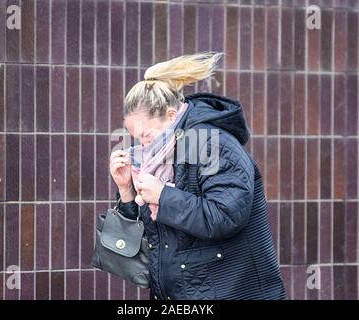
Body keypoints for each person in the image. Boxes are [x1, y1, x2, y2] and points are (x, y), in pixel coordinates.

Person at [109, 52, 286, 300]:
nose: (142, 144)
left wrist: (163, 195)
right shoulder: (157, 158)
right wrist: (126, 191)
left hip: (230, 291)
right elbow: (153, 239)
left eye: (146, 135)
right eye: (136, 138)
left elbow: (226, 215)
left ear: (171, 116)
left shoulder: (213, 143)